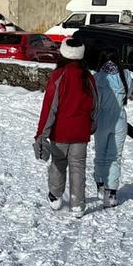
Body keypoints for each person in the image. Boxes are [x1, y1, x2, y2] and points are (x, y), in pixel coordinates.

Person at [35, 39, 96, 218]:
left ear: (63, 53)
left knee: (58, 164)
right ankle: (78, 204)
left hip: (60, 132)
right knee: (78, 167)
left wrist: (41, 133)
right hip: (81, 132)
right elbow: (95, 105)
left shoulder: (58, 76)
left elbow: (49, 108)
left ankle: (55, 196)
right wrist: (92, 125)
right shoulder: (88, 77)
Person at [93, 48, 132, 208]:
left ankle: (100, 185)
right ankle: (112, 193)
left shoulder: (97, 77)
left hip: (101, 119)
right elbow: (128, 94)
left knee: (100, 154)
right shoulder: (126, 75)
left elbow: (94, 98)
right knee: (115, 157)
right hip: (120, 119)